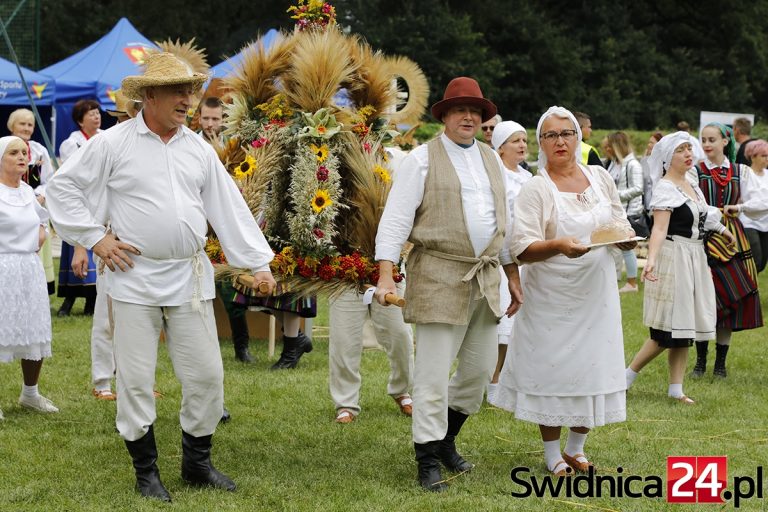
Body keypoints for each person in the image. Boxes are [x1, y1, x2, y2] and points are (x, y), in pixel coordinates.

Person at [46, 52, 276, 502]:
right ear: (149, 96)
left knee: (208, 374)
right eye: (178, 91)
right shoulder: (113, 143)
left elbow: (227, 207)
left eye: (190, 90)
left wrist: (258, 264)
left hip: (188, 277)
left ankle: (197, 463)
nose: (188, 100)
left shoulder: (197, 148)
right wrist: (96, 239)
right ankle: (146, 471)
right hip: (132, 276)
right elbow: (62, 187)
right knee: (134, 377)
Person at [375, 77, 521, 492]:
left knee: (477, 374)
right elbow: (395, 221)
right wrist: (386, 273)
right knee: (433, 375)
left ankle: (446, 441)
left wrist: (512, 276)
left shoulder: (492, 159)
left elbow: (502, 226)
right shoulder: (420, 160)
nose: (469, 117)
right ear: (445, 115)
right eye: (460, 110)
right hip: (440, 274)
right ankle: (426, 459)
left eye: (476, 111)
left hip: (486, 277)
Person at [494, 106, 633, 478]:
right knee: (554, 370)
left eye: (567, 133)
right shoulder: (536, 188)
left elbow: (618, 220)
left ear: (578, 137)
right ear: (541, 142)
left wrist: (624, 240)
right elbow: (520, 247)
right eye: (551, 135)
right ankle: (552, 452)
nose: (560, 141)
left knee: (593, 366)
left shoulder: (600, 177)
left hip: (597, 292)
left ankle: (577, 448)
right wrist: (558, 245)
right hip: (552, 295)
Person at [625, 132, 735, 404]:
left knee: (685, 328)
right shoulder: (665, 188)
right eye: (681, 150)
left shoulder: (691, 183)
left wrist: (722, 230)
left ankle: (676, 389)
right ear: (667, 158)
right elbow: (659, 229)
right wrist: (650, 260)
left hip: (695, 256)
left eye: (689, 148)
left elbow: (702, 214)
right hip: (674, 257)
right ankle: (625, 377)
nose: (689, 153)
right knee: (665, 332)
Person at [693, 123, 766, 378]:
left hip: (733, 239)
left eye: (712, 139)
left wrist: (741, 208)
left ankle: (720, 364)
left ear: (726, 142)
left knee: (731, 299)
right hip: (703, 238)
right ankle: (700, 361)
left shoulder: (740, 171)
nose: (706, 144)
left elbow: (762, 202)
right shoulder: (696, 171)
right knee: (704, 299)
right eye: (703, 139)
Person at [0, 136, 59, 418]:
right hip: (2, 267)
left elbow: (43, 220)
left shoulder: (27, 191)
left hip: (28, 268)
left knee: (33, 329)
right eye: (14, 153)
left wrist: (41, 233)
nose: (22, 157)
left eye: (24, 152)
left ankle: (30, 393)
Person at [486, 120, 532, 404]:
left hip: (524, 254)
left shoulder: (528, 178)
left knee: (517, 327)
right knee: (500, 322)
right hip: (501, 256)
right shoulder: (496, 175)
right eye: (516, 141)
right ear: (501, 147)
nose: (522, 145)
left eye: (525, 140)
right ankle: (492, 379)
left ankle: (507, 379)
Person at [328, 279, 414, 423]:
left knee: (400, 335)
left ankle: (401, 390)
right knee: (343, 340)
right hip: (343, 274)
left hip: (390, 275)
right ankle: (345, 405)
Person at [56, 98, 102, 317]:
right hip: (79, 199)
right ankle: (68, 300)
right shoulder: (71, 143)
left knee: (97, 249)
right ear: (80, 120)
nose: (96, 115)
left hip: (99, 201)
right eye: (90, 113)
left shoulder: (105, 139)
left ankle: (92, 303)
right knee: (77, 247)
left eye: (97, 112)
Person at [7, 108, 56, 295]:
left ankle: (37, 288)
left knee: (38, 245)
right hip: (10, 206)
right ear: (12, 125)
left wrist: (41, 195)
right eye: (22, 124)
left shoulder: (38, 150)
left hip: (35, 206)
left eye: (30, 125)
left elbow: (49, 179)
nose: (27, 128)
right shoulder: (4, 147)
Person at [605, 131, 644, 292]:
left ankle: (632, 283)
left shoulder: (632, 164)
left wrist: (615, 197)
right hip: (617, 211)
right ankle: (617, 278)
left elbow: (638, 188)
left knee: (627, 248)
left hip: (629, 212)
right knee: (615, 248)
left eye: (609, 146)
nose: (606, 149)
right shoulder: (615, 163)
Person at [726, 140, 768, 273]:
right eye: (764, 156)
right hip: (749, 223)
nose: (767, 159)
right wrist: (740, 208)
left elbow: (764, 202)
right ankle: (747, 290)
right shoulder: (745, 174)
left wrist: (741, 206)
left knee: (761, 264)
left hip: (766, 224)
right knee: (755, 261)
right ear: (753, 156)